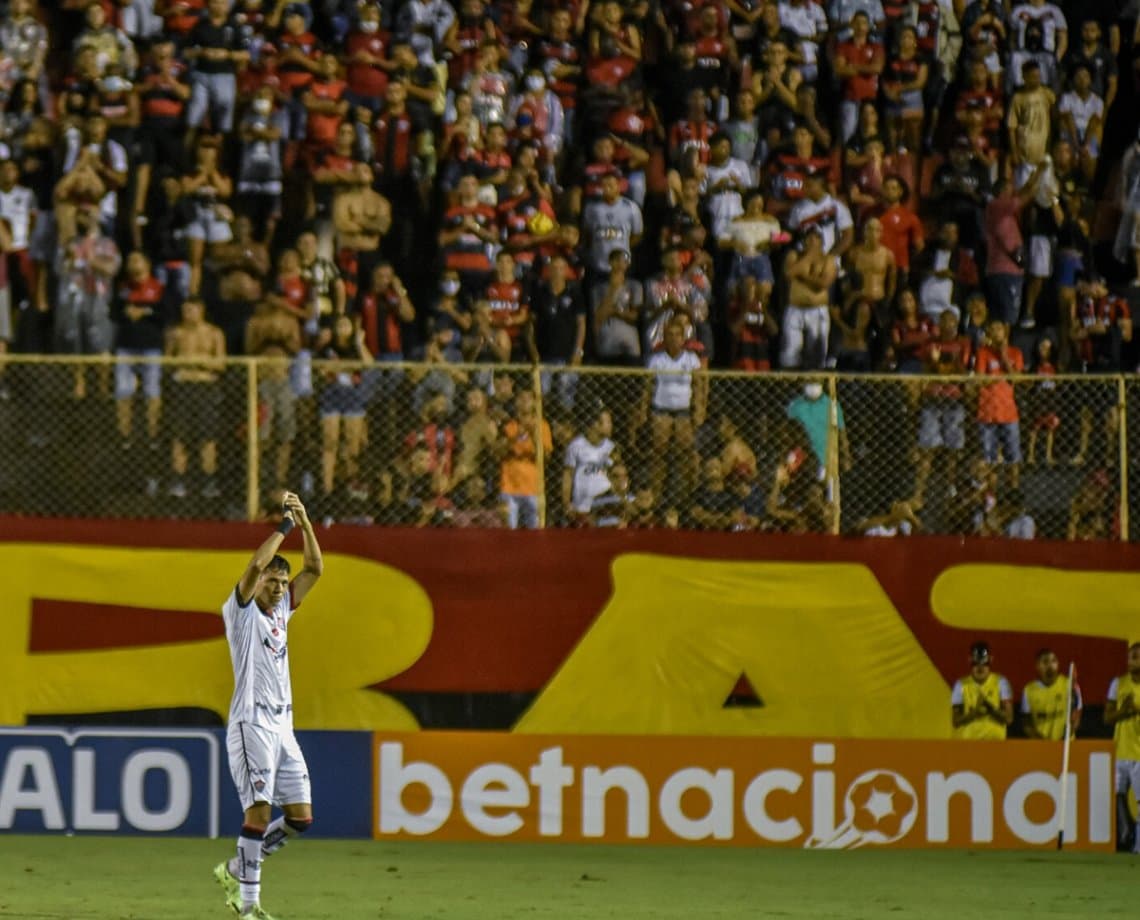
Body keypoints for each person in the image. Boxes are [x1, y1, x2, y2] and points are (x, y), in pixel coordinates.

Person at [212, 491, 322, 920]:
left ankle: (238, 868)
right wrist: (285, 527)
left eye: (281, 583)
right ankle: (249, 906)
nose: (277, 589)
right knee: (257, 811)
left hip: (283, 728)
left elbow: (315, 568)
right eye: (271, 583)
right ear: (256, 585)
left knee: (301, 818)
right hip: (250, 723)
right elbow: (256, 564)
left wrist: (307, 521)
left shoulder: (281, 612)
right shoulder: (239, 612)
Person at [1105, 643, 1140, 853]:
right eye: (1130, 657)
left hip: (1139, 754)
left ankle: (1137, 846)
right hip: (1121, 752)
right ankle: (1126, 831)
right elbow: (1107, 717)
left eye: (1136, 657)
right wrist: (1124, 711)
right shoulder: (1118, 684)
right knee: (1117, 795)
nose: (1131, 662)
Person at [951, 641, 1013, 740]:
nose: (980, 667)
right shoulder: (960, 685)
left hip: (995, 742)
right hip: (970, 744)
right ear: (969, 660)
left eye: (984, 663)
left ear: (991, 660)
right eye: (976, 663)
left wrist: (991, 708)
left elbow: (1009, 719)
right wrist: (974, 713)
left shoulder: (1001, 683)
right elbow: (955, 721)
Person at [1021, 647, 1081, 740]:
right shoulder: (1028, 690)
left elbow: (1076, 716)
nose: (1050, 665)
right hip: (1041, 745)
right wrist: (1042, 743)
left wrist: (1065, 737)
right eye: (1045, 662)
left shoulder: (1069, 685)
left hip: (1066, 744)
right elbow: (1026, 724)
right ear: (1037, 666)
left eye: (1053, 661)